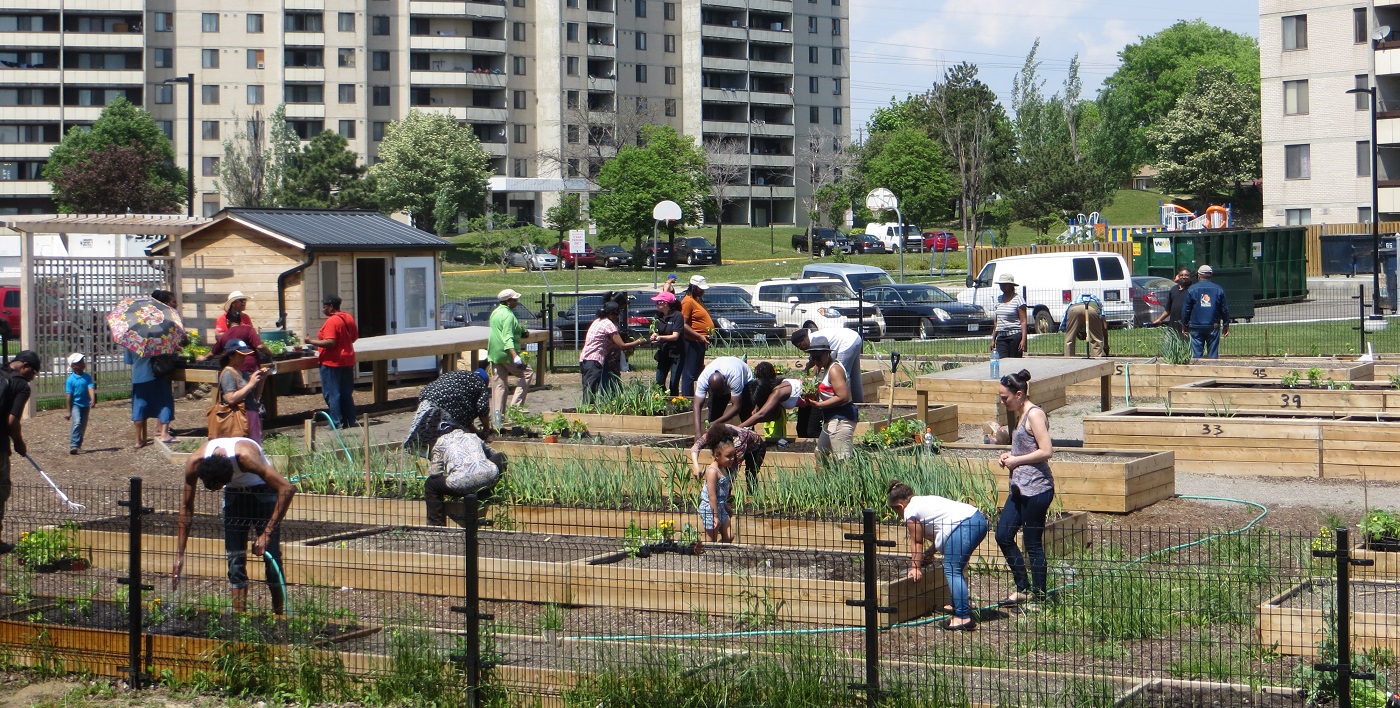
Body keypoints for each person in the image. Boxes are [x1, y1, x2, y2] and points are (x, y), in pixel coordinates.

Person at [173, 437, 295, 614]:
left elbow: (287, 489)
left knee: (271, 557)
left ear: (230, 475)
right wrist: (179, 556)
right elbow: (186, 507)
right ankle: (239, 619)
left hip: (263, 490)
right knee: (234, 560)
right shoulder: (195, 462)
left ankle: (279, 616)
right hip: (235, 496)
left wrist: (266, 534)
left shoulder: (245, 457)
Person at [886, 480, 989, 631]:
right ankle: (955, 605)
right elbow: (944, 528)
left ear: (899, 506)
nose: (900, 515)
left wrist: (916, 568)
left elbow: (917, 541)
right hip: (977, 520)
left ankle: (963, 617)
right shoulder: (921, 502)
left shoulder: (909, 511)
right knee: (956, 567)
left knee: (952, 569)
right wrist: (930, 553)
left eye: (897, 512)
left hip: (965, 525)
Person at [994, 369, 1055, 605]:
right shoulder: (1021, 414)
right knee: (1003, 535)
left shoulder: (1034, 414)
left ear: (1019, 394)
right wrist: (1010, 454)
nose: (1002, 401)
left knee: (1032, 543)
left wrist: (1016, 461)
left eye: (1004, 397)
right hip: (1020, 488)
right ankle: (1023, 588)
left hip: (1037, 490)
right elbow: (1027, 447)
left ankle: (1039, 598)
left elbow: (1046, 451)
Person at [127, 290, 181, 448]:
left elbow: (128, 360)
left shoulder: (131, 338)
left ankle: (138, 440)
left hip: (138, 377)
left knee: (139, 408)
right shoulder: (159, 333)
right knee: (165, 403)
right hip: (156, 376)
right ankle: (163, 433)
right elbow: (168, 351)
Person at [691, 424, 758, 545]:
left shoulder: (724, 469)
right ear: (717, 455)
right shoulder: (712, 472)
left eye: (733, 455)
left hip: (720, 507)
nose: (732, 459)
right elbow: (712, 496)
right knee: (711, 539)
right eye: (728, 456)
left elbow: (722, 492)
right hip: (710, 509)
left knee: (729, 536)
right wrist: (715, 515)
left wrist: (726, 507)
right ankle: (705, 554)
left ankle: (719, 554)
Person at [0, 350, 38, 555]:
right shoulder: (21, 385)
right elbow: (12, 422)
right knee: (0, 490)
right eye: (34, 372)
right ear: (25, 366)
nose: (34, 377)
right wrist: (19, 443)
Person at [305, 294, 359, 428]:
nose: (323, 309)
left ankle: (335, 422)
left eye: (324, 306)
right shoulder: (348, 317)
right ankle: (350, 420)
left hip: (332, 361)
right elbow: (353, 337)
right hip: (347, 358)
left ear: (331, 306)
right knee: (346, 392)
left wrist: (310, 341)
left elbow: (330, 342)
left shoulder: (332, 321)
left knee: (332, 393)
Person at [579, 301, 644, 403]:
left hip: (585, 358)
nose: (617, 317)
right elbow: (622, 345)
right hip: (594, 360)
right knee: (590, 391)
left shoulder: (598, 321)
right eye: (616, 314)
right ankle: (587, 412)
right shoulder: (609, 325)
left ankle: (587, 410)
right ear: (611, 314)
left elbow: (604, 342)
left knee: (588, 388)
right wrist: (638, 342)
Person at [805, 335, 857, 461]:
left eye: (818, 357)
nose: (816, 360)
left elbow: (843, 397)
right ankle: (826, 481)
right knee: (820, 453)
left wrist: (819, 405)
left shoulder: (834, 370)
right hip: (831, 418)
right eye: (813, 357)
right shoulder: (824, 367)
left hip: (841, 418)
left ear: (827, 354)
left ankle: (846, 480)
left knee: (842, 459)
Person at [487, 289, 533, 425]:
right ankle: (515, 410)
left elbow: (502, 331)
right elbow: (507, 337)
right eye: (514, 300)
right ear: (508, 302)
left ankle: (497, 419)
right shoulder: (508, 315)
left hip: (495, 353)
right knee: (527, 373)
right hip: (506, 353)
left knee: (499, 385)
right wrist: (515, 357)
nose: (516, 302)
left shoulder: (495, 313)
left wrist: (520, 331)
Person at [790, 327, 864, 403]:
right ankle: (859, 403)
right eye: (798, 347)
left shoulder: (815, 341)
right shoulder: (813, 339)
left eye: (800, 345)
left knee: (841, 374)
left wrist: (813, 377)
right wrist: (808, 369)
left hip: (847, 342)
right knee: (855, 376)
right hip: (855, 338)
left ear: (804, 339)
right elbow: (816, 360)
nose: (800, 348)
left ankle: (844, 404)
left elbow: (817, 362)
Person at [690, 356, 754, 443]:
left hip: (746, 381)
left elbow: (737, 407)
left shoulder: (735, 376)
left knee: (746, 414)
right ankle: (717, 445)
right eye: (716, 392)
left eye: (721, 392)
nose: (720, 395)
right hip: (722, 380)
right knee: (714, 414)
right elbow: (697, 405)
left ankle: (751, 441)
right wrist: (697, 433)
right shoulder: (703, 379)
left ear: (725, 382)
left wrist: (716, 422)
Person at [691, 421, 766, 494]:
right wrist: (696, 466)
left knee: (751, 473)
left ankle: (752, 495)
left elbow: (734, 468)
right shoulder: (712, 434)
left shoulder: (738, 442)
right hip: (739, 443)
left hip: (757, 447)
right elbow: (696, 447)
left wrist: (725, 486)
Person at [217, 340, 269, 442]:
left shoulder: (241, 372)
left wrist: (261, 380)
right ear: (231, 356)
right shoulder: (228, 373)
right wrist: (250, 383)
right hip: (239, 419)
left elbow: (255, 398)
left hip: (250, 415)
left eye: (245, 355)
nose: (244, 358)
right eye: (241, 355)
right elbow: (230, 399)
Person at [738, 361, 803, 441]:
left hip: (814, 401)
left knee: (809, 433)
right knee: (802, 430)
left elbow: (761, 414)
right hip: (805, 404)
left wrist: (738, 428)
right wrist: (756, 409)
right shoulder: (770, 387)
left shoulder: (777, 392)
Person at [1181, 264, 1230, 359]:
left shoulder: (1192, 289)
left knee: (1196, 356)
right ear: (1211, 275)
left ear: (1199, 275)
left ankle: (1196, 372)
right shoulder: (1218, 289)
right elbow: (1224, 309)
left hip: (1196, 326)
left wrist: (1184, 324)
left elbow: (1186, 309)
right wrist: (1226, 324)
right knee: (1213, 355)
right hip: (1213, 326)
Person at [678, 275, 714, 396]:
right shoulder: (687, 302)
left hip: (699, 342)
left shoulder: (696, 300)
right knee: (689, 373)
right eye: (700, 288)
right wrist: (699, 336)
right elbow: (683, 324)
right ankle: (688, 399)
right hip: (692, 342)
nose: (703, 291)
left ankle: (697, 397)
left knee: (698, 371)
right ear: (693, 287)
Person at [648, 291, 685, 395]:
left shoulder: (677, 316)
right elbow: (655, 331)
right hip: (664, 353)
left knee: (673, 384)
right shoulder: (657, 316)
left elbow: (675, 336)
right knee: (659, 382)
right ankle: (662, 401)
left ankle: (675, 405)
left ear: (667, 303)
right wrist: (653, 335)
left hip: (676, 354)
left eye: (659, 302)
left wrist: (660, 337)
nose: (657, 304)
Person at [64, 352, 95, 454]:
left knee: (83, 425)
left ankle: (78, 444)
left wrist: (92, 399)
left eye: (82, 361)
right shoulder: (70, 380)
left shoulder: (87, 377)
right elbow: (69, 396)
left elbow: (90, 388)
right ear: (74, 366)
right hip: (75, 405)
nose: (83, 363)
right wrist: (68, 411)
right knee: (77, 422)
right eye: (80, 362)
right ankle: (73, 445)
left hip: (85, 405)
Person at [993, 273, 1028, 359]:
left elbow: (1023, 321)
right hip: (1001, 336)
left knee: (1014, 361)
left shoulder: (1018, 299)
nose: (1002, 286)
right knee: (1002, 361)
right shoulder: (998, 299)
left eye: (1005, 284)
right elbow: (996, 322)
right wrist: (993, 339)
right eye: (1001, 284)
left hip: (1014, 335)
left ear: (1011, 285)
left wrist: (1023, 340)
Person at [1152, 268, 1193, 335]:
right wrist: (1159, 319)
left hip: (1187, 326)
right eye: (1181, 275)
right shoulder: (1174, 289)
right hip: (1173, 326)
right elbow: (1168, 310)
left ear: (1190, 277)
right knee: (1170, 345)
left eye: (1186, 275)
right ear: (1178, 277)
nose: (1184, 277)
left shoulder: (1192, 290)